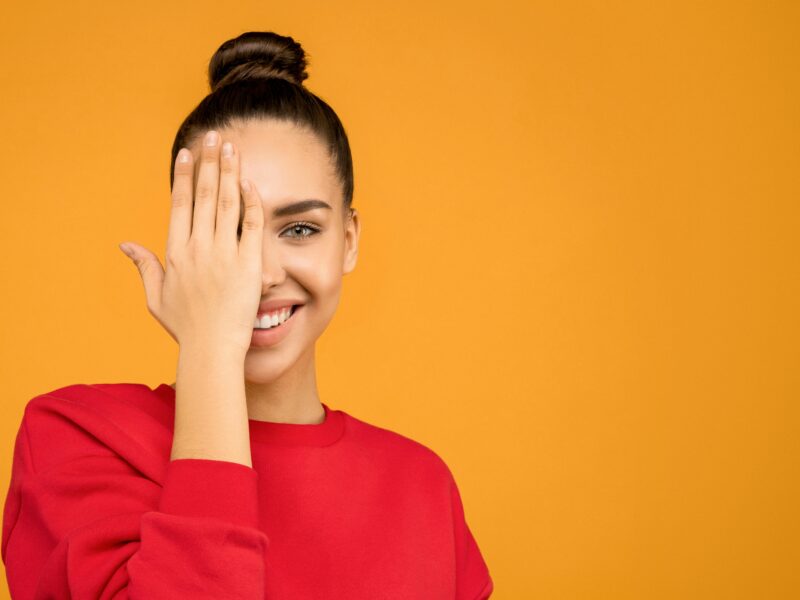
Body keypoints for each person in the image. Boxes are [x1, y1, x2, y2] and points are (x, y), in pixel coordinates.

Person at [1, 31, 493, 599]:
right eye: (228, 227)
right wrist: (208, 346)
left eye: (300, 229)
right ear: (184, 239)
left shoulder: (421, 485)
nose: (259, 274)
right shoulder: (78, 437)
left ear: (350, 241)